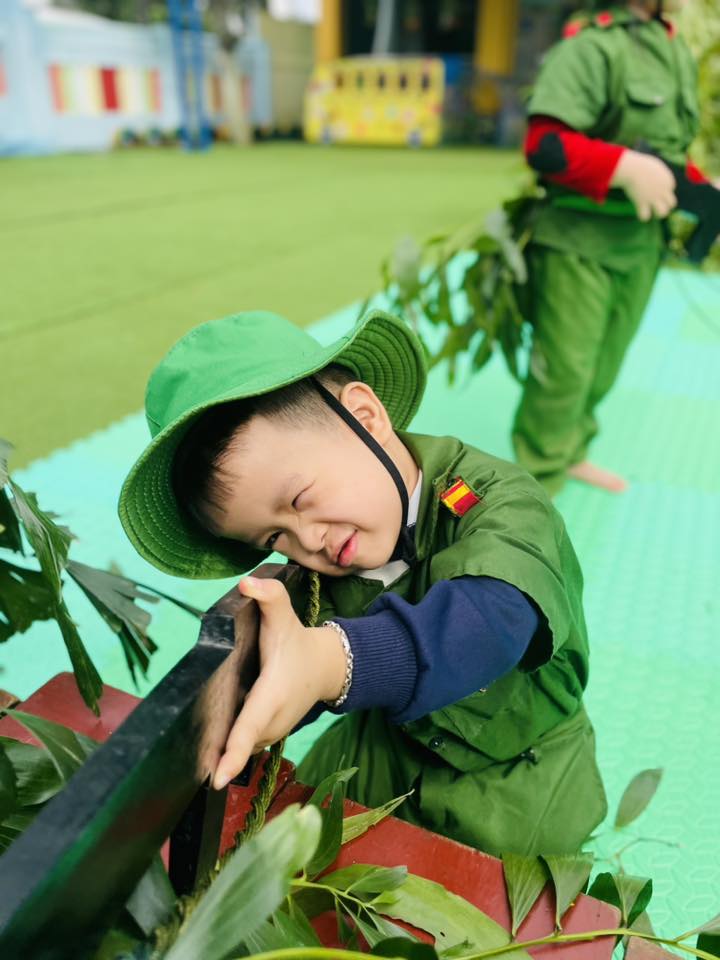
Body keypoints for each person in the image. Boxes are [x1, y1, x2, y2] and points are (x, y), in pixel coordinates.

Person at [119, 308, 607, 856]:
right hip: (384, 746)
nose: (308, 540)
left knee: (502, 897)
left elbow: (490, 622)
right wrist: (247, 707)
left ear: (366, 417)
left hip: (519, 769)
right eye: (274, 538)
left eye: (300, 499)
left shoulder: (501, 503)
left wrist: (328, 663)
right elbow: (283, 663)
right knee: (280, 843)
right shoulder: (321, 562)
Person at [513, 0, 705, 494]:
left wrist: (703, 189)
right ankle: (538, 478)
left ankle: (572, 451)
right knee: (566, 369)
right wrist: (620, 166)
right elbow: (544, 145)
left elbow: (665, 153)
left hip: (642, 241)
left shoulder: (672, 48)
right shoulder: (590, 47)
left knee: (605, 365)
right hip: (580, 239)